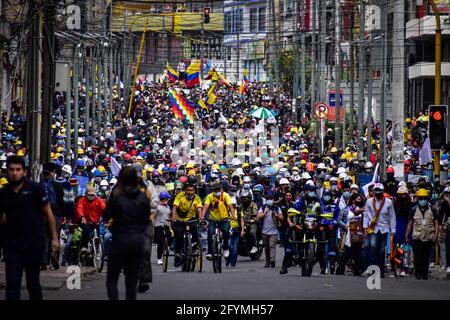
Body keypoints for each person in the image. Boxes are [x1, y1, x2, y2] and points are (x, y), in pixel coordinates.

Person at [0, 156, 60, 300]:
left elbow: (48, 213)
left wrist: (54, 237)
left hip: (34, 243)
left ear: (24, 172)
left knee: (33, 283)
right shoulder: (3, 193)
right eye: (11, 170)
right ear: (7, 172)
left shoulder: (35, 189)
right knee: (13, 284)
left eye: (18, 170)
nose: (15, 173)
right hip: (12, 244)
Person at [104, 166, 151, 300]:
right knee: (131, 280)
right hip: (137, 240)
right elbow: (146, 218)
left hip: (120, 239)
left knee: (112, 279)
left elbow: (107, 215)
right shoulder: (142, 196)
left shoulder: (116, 195)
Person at [405, 189, 439, 280]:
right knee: (417, 256)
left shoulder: (432, 209)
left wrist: (436, 234)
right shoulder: (413, 210)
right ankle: (418, 273)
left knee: (426, 256)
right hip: (417, 235)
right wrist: (406, 235)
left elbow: (436, 222)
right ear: (418, 198)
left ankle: (424, 273)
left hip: (429, 236)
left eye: (424, 198)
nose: (422, 200)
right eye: (421, 198)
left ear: (427, 199)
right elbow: (410, 224)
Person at [363, 183, 396, 278]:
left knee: (381, 250)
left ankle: (380, 270)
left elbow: (392, 216)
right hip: (373, 228)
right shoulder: (369, 202)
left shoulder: (388, 202)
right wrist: (365, 227)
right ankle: (372, 269)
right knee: (372, 247)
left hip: (384, 229)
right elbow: (366, 215)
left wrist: (393, 230)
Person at [202, 182, 236, 261]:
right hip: (213, 219)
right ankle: (210, 252)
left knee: (226, 232)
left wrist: (233, 215)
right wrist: (202, 216)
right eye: (215, 190)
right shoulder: (210, 196)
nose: (217, 191)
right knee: (210, 233)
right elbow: (205, 206)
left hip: (224, 219)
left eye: (218, 189)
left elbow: (230, 206)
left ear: (222, 189)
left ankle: (225, 248)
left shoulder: (226, 195)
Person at [171, 183, 203, 267]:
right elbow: (174, 207)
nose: (190, 192)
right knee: (179, 236)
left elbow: (199, 209)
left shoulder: (197, 198)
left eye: (192, 190)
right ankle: (177, 256)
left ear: (194, 191)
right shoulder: (180, 196)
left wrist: (200, 217)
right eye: (188, 190)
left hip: (191, 220)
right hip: (179, 220)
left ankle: (194, 248)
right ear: (185, 190)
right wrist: (173, 217)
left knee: (196, 233)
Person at [257, 194, 283, 268]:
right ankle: (267, 262)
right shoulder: (263, 207)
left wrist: (277, 215)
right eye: (268, 199)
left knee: (272, 246)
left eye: (271, 199)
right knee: (266, 247)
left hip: (274, 231)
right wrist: (265, 212)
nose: (270, 201)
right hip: (264, 231)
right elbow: (258, 216)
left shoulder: (276, 207)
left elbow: (282, 217)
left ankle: (273, 260)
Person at [394, 186, 414, 276]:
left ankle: (404, 269)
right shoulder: (395, 204)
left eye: (404, 195)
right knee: (398, 249)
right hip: (398, 229)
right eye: (400, 195)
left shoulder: (410, 205)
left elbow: (411, 219)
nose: (402, 196)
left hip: (407, 228)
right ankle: (398, 267)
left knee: (406, 250)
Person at [154, 191, 172, 265]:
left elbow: (168, 217)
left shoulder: (168, 207)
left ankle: (166, 246)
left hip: (166, 225)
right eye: (166, 199)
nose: (167, 200)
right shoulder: (157, 207)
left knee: (170, 237)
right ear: (162, 199)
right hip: (158, 226)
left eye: (167, 199)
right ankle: (159, 258)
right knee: (160, 242)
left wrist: (170, 227)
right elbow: (153, 217)